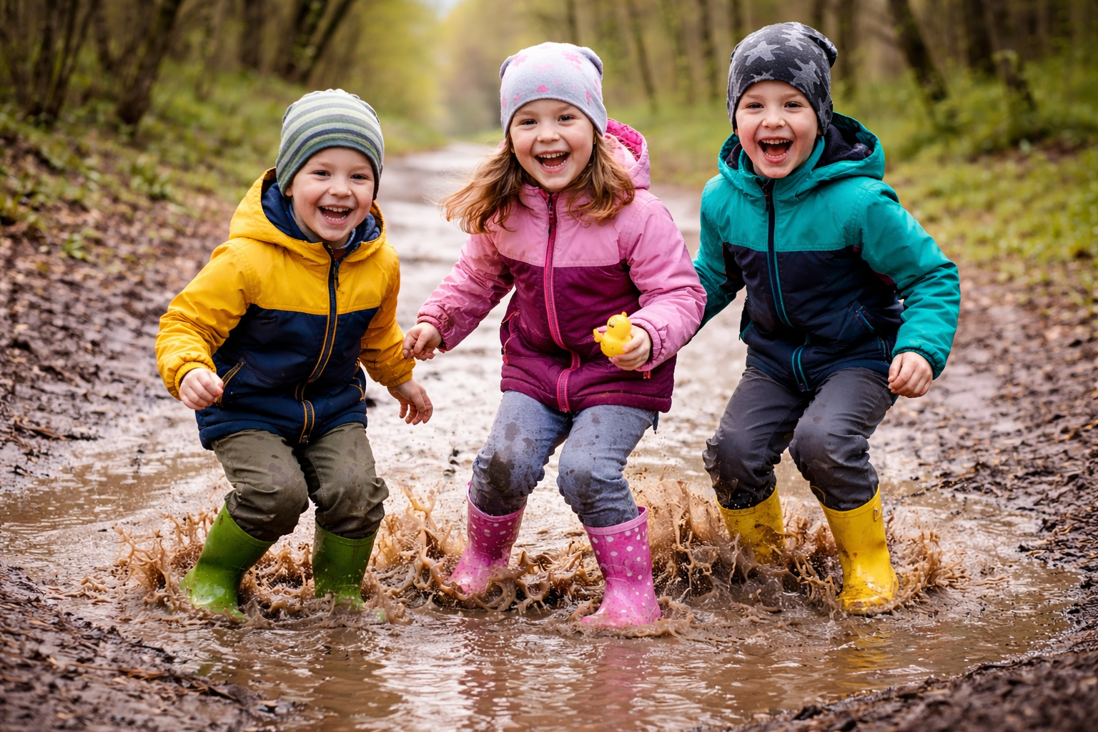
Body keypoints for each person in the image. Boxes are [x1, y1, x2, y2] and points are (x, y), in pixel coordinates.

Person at [402, 42, 706, 628]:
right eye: (529, 120)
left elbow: (680, 294)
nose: (549, 134)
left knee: (586, 472)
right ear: (509, 134)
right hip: (537, 369)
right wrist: (436, 321)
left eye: (566, 117)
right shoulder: (505, 209)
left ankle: (631, 594)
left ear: (593, 125)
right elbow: (475, 278)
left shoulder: (635, 213)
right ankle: (485, 561)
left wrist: (647, 332)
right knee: (502, 462)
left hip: (620, 375)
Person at [693, 22, 960, 615]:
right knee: (733, 452)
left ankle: (868, 563)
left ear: (820, 113)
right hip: (774, 359)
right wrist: (657, 329)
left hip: (859, 356)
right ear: (734, 117)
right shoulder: (722, 197)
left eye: (793, 104)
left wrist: (919, 347)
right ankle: (762, 565)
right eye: (754, 105)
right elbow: (711, 278)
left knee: (823, 442)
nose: (773, 121)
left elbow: (931, 275)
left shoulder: (859, 203)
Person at [155, 89, 433, 621]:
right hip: (246, 406)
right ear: (287, 180)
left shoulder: (379, 263)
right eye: (321, 173)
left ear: (375, 186)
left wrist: (401, 379)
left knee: (357, 492)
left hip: (331, 407)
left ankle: (338, 596)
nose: (341, 190)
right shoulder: (246, 260)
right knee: (277, 495)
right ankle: (212, 577)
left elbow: (376, 336)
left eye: (358, 176)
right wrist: (188, 367)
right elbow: (185, 323)